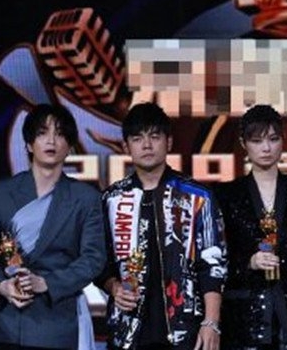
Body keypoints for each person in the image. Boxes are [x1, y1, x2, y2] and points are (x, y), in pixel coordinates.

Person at [96, 102, 227, 350]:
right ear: (126, 147)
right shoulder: (111, 199)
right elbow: (99, 261)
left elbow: (213, 264)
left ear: (169, 142)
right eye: (138, 138)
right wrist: (113, 287)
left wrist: (211, 322)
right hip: (127, 331)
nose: (147, 145)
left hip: (185, 331)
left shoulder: (198, 196)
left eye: (155, 136)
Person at [0, 104, 106, 350]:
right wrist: (2, 286)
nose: (51, 141)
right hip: (9, 324)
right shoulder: (1, 192)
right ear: (28, 144)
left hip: (57, 322)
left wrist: (47, 283)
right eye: (42, 133)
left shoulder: (86, 198)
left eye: (60, 134)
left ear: (70, 147)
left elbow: (93, 259)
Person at [214, 105, 287, 350]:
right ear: (243, 143)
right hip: (243, 317)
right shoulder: (226, 195)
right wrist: (249, 262)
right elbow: (215, 255)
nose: (266, 148)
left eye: (273, 139)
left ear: (283, 140)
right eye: (257, 140)